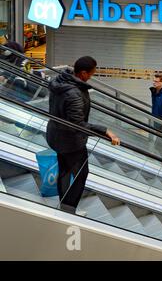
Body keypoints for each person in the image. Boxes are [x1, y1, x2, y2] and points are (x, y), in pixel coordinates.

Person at [46, 56, 120, 214]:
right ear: (83, 73)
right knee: (81, 174)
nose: (92, 76)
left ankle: (64, 205)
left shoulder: (61, 82)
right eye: (92, 73)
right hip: (71, 142)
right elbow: (77, 125)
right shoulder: (74, 94)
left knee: (64, 170)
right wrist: (104, 130)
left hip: (56, 135)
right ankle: (70, 208)